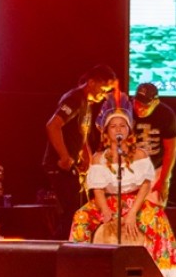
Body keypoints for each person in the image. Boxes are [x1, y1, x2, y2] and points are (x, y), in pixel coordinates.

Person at [69, 107, 176, 277]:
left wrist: (133, 212)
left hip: (133, 200)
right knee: (81, 217)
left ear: (129, 130)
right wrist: (105, 211)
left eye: (122, 126)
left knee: (157, 217)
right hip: (107, 200)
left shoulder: (139, 154)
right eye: (113, 126)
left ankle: (165, 270)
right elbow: (98, 189)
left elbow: (145, 184)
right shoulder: (98, 157)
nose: (118, 129)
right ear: (106, 131)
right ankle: (79, 268)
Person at [43, 65, 119, 230]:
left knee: (81, 212)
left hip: (74, 169)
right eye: (104, 88)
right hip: (61, 167)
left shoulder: (87, 104)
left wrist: (88, 160)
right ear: (91, 82)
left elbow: (81, 135)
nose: (104, 94)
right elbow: (52, 126)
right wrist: (64, 156)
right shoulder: (74, 99)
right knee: (72, 215)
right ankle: (65, 250)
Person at [132, 82, 176, 205]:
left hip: (155, 169)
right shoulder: (127, 111)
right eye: (137, 103)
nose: (140, 108)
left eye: (145, 105)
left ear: (155, 102)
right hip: (131, 168)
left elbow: (171, 150)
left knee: (152, 211)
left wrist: (164, 180)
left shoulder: (166, 114)